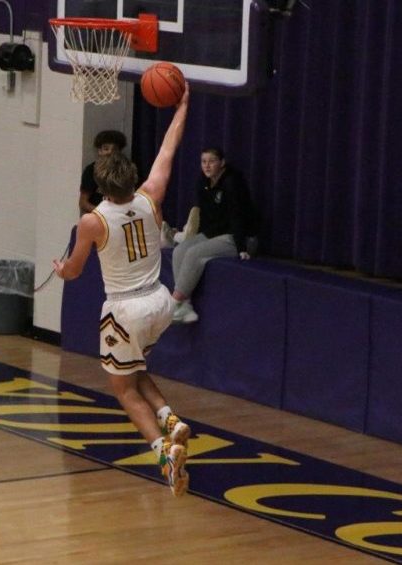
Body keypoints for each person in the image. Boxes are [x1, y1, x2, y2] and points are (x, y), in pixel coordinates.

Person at [54, 87, 192, 497]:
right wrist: (182, 106)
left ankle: (165, 452)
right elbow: (168, 149)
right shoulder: (151, 196)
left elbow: (75, 271)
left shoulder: (92, 221)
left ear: (100, 186)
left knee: (124, 390)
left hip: (126, 309)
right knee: (134, 368)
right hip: (161, 301)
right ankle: (169, 418)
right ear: (132, 176)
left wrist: (61, 269)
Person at [170, 148, 256, 324]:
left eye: (212, 161)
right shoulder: (204, 183)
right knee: (179, 251)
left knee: (194, 254)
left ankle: (174, 302)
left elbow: (238, 216)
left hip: (240, 237)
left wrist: (242, 247)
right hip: (216, 233)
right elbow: (206, 217)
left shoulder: (232, 182)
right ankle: (185, 306)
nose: (207, 166)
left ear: (222, 163)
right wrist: (194, 238)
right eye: (203, 162)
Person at [79, 130, 128, 214]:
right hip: (98, 216)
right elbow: (83, 203)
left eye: (114, 149)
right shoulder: (91, 170)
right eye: (106, 149)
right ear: (99, 151)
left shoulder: (126, 170)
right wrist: (103, 214)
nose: (110, 152)